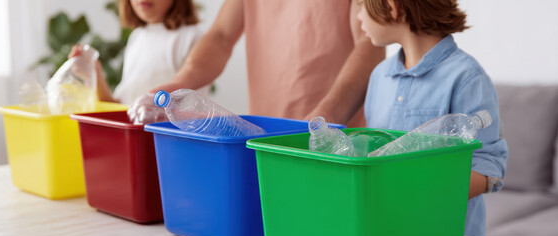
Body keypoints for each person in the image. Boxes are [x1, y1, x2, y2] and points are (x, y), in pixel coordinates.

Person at [357, 0, 508, 236]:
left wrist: (418, 193)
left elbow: (488, 166)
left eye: (362, 5)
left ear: (393, 7)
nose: (359, 16)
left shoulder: (466, 77)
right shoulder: (380, 76)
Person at [149, 0, 386, 127]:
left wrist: (325, 119)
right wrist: (177, 84)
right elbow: (221, 37)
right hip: (266, 138)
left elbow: (369, 44)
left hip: (335, 141)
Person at [69, 0, 205, 105]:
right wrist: (94, 72)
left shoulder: (190, 36)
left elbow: (189, 111)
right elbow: (122, 108)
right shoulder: (137, 37)